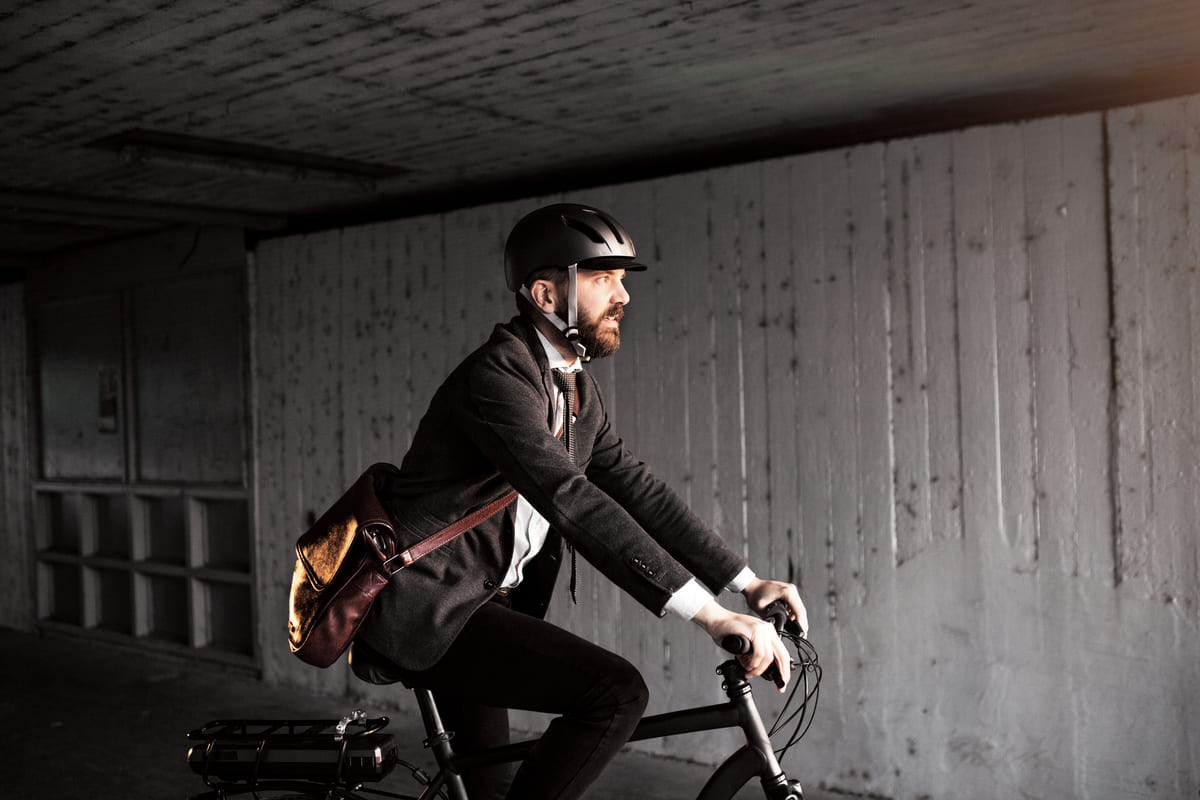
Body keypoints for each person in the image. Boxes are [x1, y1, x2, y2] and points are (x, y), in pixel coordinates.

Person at [352, 203, 809, 800]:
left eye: (622, 280)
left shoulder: (571, 383)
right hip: (432, 611)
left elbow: (631, 483)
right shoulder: (496, 380)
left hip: (487, 605)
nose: (622, 296)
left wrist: (746, 584)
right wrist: (712, 616)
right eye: (602, 280)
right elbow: (571, 499)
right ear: (546, 294)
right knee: (615, 694)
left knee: (490, 791)